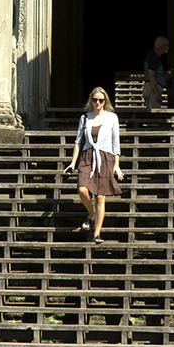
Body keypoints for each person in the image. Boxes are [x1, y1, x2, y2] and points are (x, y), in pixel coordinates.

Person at [64, 85, 121, 243]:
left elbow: (116, 143)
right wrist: (72, 163)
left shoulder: (112, 118)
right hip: (87, 157)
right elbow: (78, 142)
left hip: (105, 157)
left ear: (105, 101)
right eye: (95, 100)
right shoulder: (85, 118)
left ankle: (97, 233)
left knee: (100, 197)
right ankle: (92, 214)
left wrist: (116, 164)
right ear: (91, 101)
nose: (98, 103)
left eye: (101, 100)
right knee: (82, 189)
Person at [142, 36, 172, 110]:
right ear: (162, 46)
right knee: (153, 112)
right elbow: (151, 76)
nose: (168, 47)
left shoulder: (155, 57)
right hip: (153, 89)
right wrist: (156, 93)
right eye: (167, 45)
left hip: (153, 88)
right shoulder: (152, 57)